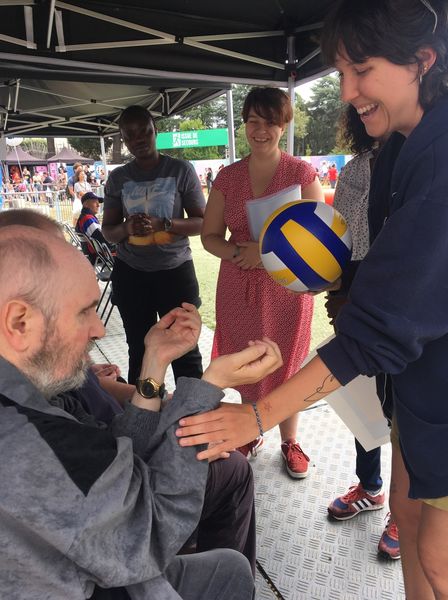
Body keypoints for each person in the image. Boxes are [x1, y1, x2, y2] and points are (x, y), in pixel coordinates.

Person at [177, 2, 448, 598]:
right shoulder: (403, 148)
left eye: (362, 70)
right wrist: (341, 278)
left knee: (438, 552)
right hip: (421, 390)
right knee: (406, 516)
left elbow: (382, 323)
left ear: (423, 61)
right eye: (341, 72)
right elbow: (382, 267)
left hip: (440, 384)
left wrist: (254, 416)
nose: (347, 89)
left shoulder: (441, 157)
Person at [0, 224, 282, 599]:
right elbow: (152, 529)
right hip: (106, 573)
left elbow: (112, 460)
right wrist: (210, 386)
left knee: (230, 567)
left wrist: (154, 361)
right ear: (20, 322)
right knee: (229, 568)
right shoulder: (27, 439)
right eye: (85, 311)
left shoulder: (31, 396)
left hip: (86, 560)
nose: (100, 329)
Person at [201, 86, 323, 477]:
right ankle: (249, 428)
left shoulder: (301, 173)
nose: (260, 130)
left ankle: (290, 440)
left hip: (287, 287)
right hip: (239, 286)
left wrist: (267, 250)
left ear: (283, 124)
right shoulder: (228, 176)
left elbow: (318, 238)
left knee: (285, 361)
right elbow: (209, 236)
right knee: (243, 359)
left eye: (270, 122)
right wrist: (240, 253)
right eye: (253, 121)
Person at [325, 105, 399, 560]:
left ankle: (403, 509)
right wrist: (336, 291)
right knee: (364, 397)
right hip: (352, 290)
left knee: (404, 408)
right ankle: (370, 486)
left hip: (397, 295)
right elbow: (339, 239)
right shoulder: (354, 169)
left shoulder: (421, 161)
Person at [102, 105, 205, 385]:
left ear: (155, 131)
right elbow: (108, 231)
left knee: (185, 350)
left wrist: (165, 224)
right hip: (132, 274)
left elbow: (202, 222)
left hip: (175, 274)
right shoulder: (118, 178)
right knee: (140, 349)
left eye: (145, 131)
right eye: (131, 135)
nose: (139, 139)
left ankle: (192, 416)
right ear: (123, 140)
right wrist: (126, 228)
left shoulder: (180, 170)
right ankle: (142, 418)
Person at [76, 191, 113, 265]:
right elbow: (101, 238)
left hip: (98, 254)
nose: (98, 205)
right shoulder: (87, 219)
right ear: (86, 204)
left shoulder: (86, 217)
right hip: (101, 256)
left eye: (98, 203)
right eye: (95, 202)